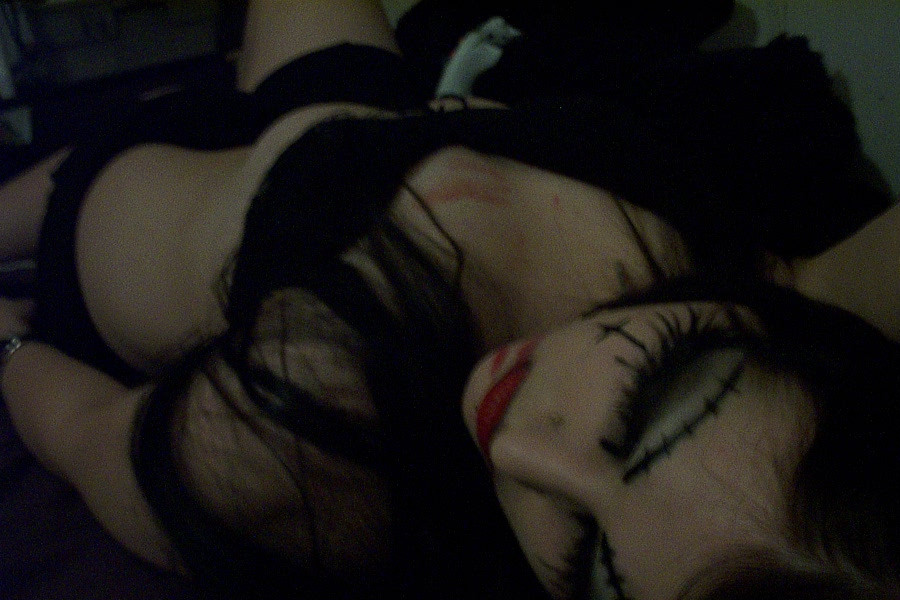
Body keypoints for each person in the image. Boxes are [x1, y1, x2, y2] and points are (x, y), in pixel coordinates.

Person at [0, 0, 897, 598]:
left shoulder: (307, 444)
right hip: (361, 108)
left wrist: (8, 345)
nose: (519, 452)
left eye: (587, 559)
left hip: (153, 209)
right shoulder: (797, 289)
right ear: (768, 329)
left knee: (60, 184)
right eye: (646, 402)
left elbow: (87, 437)